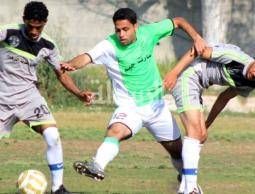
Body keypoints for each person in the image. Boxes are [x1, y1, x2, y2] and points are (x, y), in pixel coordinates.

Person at [61, 7, 206, 191]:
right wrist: (71, 65)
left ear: (135, 27)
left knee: (178, 151)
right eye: (117, 30)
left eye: (125, 29)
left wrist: (196, 37)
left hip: (157, 107)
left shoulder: (149, 33)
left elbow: (178, 21)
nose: (121, 34)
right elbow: (86, 57)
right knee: (114, 131)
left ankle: (190, 186)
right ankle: (97, 165)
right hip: (129, 108)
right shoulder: (109, 45)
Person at [0, 1, 94, 194]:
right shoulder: (7, 33)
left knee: (52, 135)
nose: (35, 31)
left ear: (45, 23)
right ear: (24, 20)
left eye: (39, 27)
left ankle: (58, 188)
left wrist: (79, 94)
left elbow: (61, 73)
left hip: (29, 98)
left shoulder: (48, 45)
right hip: (2, 99)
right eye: (31, 26)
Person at [164, 43, 255, 194]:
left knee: (201, 136)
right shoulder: (235, 58)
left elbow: (223, 98)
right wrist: (174, 72)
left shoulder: (250, 83)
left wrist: (207, 124)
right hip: (187, 76)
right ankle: (191, 188)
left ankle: (185, 184)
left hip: (197, 84)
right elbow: (196, 50)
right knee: (194, 133)